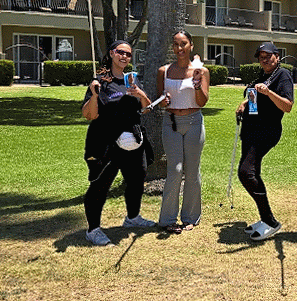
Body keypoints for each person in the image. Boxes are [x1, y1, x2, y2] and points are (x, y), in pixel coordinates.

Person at [81, 41, 156, 245]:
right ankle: (93, 229)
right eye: (121, 52)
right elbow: (89, 115)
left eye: (128, 54)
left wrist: (140, 94)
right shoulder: (101, 81)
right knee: (100, 184)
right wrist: (95, 94)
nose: (124, 56)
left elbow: (147, 109)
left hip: (133, 140)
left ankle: (132, 218)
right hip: (106, 142)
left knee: (137, 179)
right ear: (112, 53)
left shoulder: (131, 80)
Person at [237, 41, 294, 241]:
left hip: (266, 132)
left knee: (246, 172)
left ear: (277, 56)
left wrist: (268, 93)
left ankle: (270, 221)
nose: (264, 59)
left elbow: (287, 106)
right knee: (253, 173)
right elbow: (254, 98)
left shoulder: (282, 75)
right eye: (261, 56)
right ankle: (264, 218)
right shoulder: (263, 76)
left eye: (268, 55)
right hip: (250, 130)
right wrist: (245, 103)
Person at [156, 30, 210, 233]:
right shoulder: (164, 71)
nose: (180, 48)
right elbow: (160, 100)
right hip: (171, 123)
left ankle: (190, 217)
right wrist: (164, 102)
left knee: (192, 170)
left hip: (194, 122)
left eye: (184, 44)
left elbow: (203, 101)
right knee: (175, 170)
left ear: (191, 45)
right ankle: (168, 219)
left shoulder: (201, 72)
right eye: (176, 44)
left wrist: (197, 84)